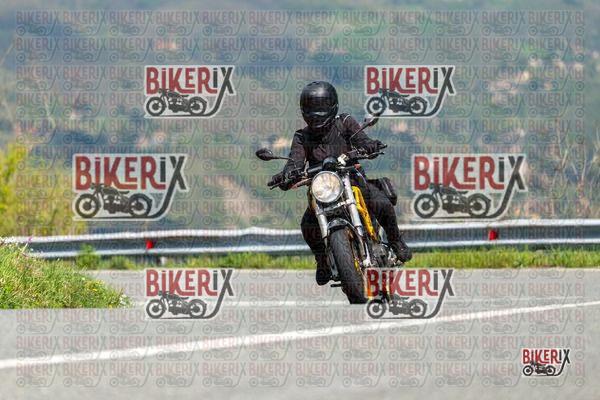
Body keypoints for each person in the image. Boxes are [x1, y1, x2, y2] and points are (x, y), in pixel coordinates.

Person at [273, 81, 412, 285]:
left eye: (321, 108)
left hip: (352, 179)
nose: (317, 114)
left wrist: (369, 146)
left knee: (382, 203)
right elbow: (295, 161)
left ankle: (396, 240)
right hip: (322, 190)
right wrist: (286, 174)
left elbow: (361, 139)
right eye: (312, 109)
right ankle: (322, 261)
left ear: (332, 106)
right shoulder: (302, 137)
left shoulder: (345, 122)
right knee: (307, 225)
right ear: (304, 111)